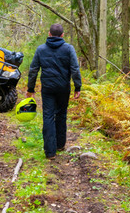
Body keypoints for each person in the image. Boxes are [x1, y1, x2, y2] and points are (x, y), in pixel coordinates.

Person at [26, 23, 82, 159]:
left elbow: (33, 70)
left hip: (48, 88)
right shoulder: (69, 49)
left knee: (48, 116)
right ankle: (60, 145)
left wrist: (30, 89)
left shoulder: (41, 49)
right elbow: (75, 68)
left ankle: (50, 152)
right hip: (63, 87)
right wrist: (77, 87)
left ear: (49, 34)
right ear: (62, 35)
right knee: (62, 114)